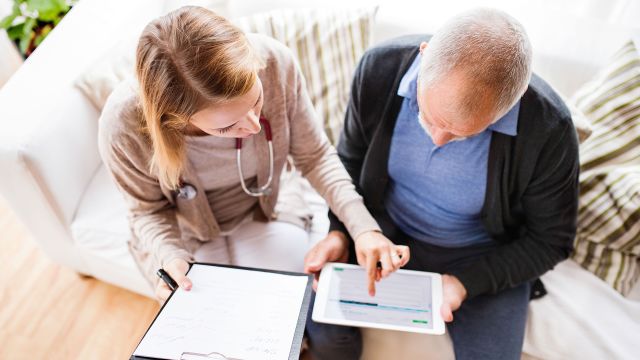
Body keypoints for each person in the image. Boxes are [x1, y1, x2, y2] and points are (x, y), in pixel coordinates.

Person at [305, 8, 579, 360]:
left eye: (463, 134)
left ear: (514, 101)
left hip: (483, 252)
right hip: (383, 231)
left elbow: (552, 240)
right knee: (323, 332)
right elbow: (350, 162)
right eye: (430, 116)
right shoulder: (378, 69)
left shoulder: (549, 127)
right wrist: (343, 232)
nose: (437, 139)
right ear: (424, 55)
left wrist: (465, 283)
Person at [97, 5, 410, 309]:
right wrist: (171, 258)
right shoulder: (123, 124)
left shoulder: (275, 63)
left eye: (256, 100)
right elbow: (146, 211)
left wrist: (364, 228)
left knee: (283, 306)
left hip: (268, 208)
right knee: (215, 319)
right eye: (227, 126)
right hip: (186, 232)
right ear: (176, 118)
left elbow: (315, 156)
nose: (252, 125)